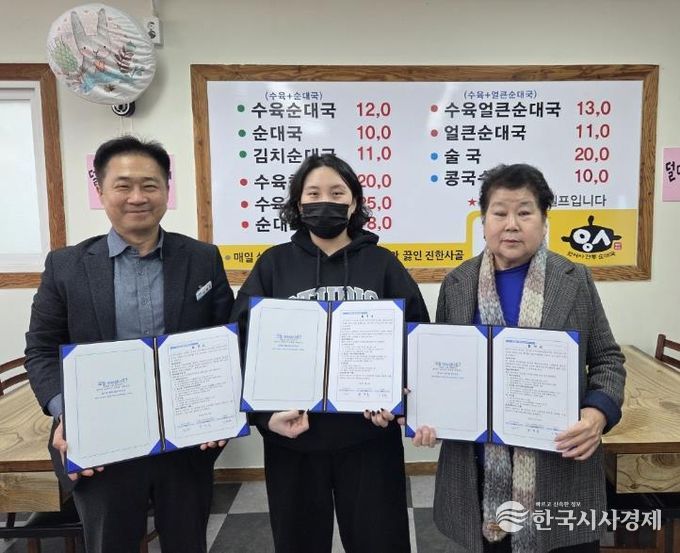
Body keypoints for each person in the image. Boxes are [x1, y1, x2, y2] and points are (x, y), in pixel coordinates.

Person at [25, 136, 234, 553]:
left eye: (149, 185)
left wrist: (221, 409)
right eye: (123, 185)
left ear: (166, 190)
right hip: (101, 443)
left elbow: (226, 338)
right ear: (101, 191)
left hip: (185, 441)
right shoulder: (66, 266)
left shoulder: (202, 258)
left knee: (188, 542)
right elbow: (41, 349)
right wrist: (69, 413)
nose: (137, 197)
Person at [412, 163, 626, 553]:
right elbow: (442, 370)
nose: (511, 225)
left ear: (544, 221)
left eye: (524, 212)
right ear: (483, 222)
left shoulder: (574, 278)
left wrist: (597, 415)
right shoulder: (457, 284)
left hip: (559, 467)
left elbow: (608, 359)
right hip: (478, 472)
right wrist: (429, 414)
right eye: (500, 213)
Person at [231, 153, 430, 553]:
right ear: (298, 203)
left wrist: (400, 402)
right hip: (293, 442)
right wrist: (264, 418)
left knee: (381, 542)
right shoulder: (273, 265)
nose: (325, 201)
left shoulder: (383, 264)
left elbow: (418, 339)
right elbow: (240, 344)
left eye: (337, 193)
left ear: (354, 203)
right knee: (298, 543)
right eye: (314, 193)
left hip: (369, 440)